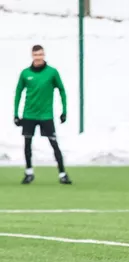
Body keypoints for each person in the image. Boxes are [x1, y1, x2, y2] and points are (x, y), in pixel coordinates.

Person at [14, 45, 72, 185]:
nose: (38, 57)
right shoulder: (25, 73)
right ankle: (29, 172)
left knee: (54, 144)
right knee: (27, 144)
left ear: (44, 55)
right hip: (29, 114)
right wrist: (16, 113)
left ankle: (62, 174)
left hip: (46, 115)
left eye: (40, 54)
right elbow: (18, 92)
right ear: (32, 56)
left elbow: (62, 90)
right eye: (36, 55)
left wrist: (64, 111)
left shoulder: (52, 72)